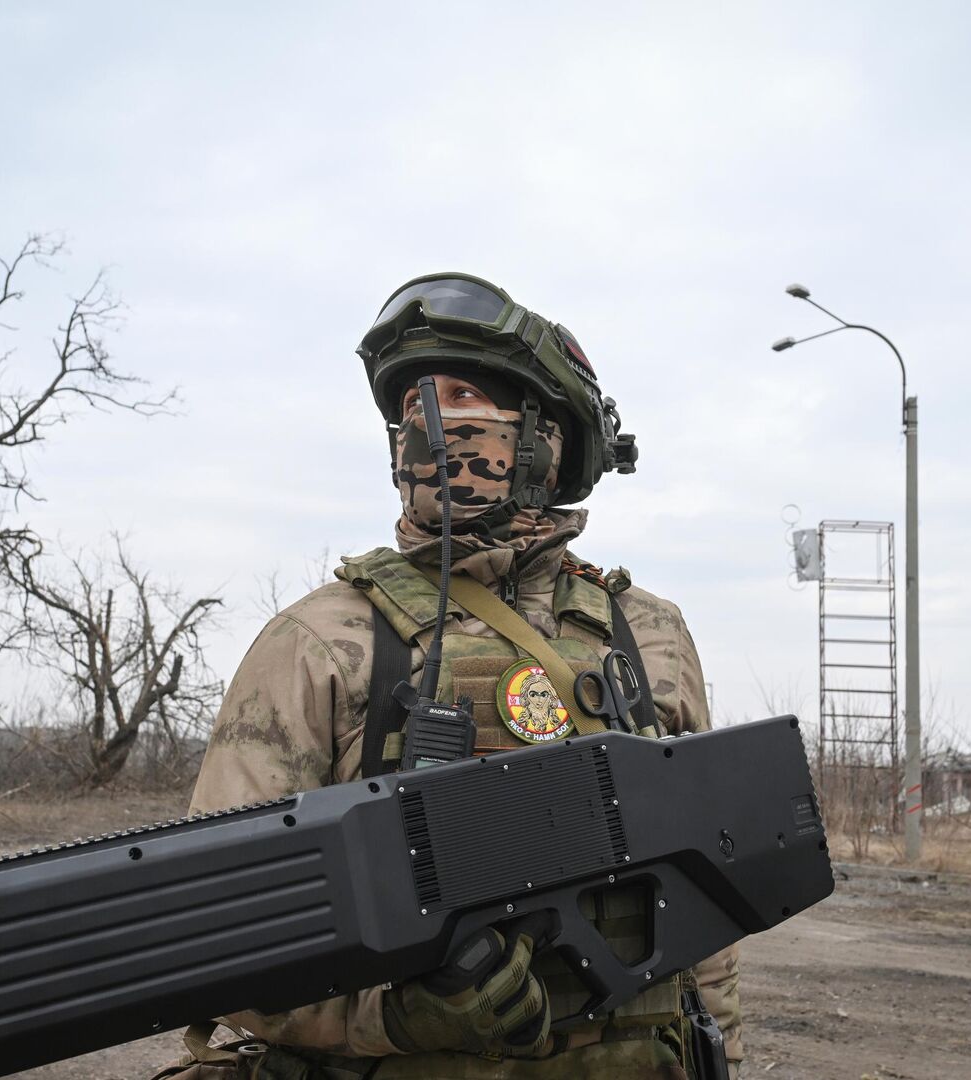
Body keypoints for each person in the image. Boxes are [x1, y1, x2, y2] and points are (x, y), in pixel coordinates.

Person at [178, 274, 741, 1079]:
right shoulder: (324, 640)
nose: (428, 424)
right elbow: (220, 936)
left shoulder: (645, 631)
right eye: (411, 402)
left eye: (463, 393)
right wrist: (396, 1016)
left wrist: (722, 1052)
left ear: (547, 434)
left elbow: (706, 904)